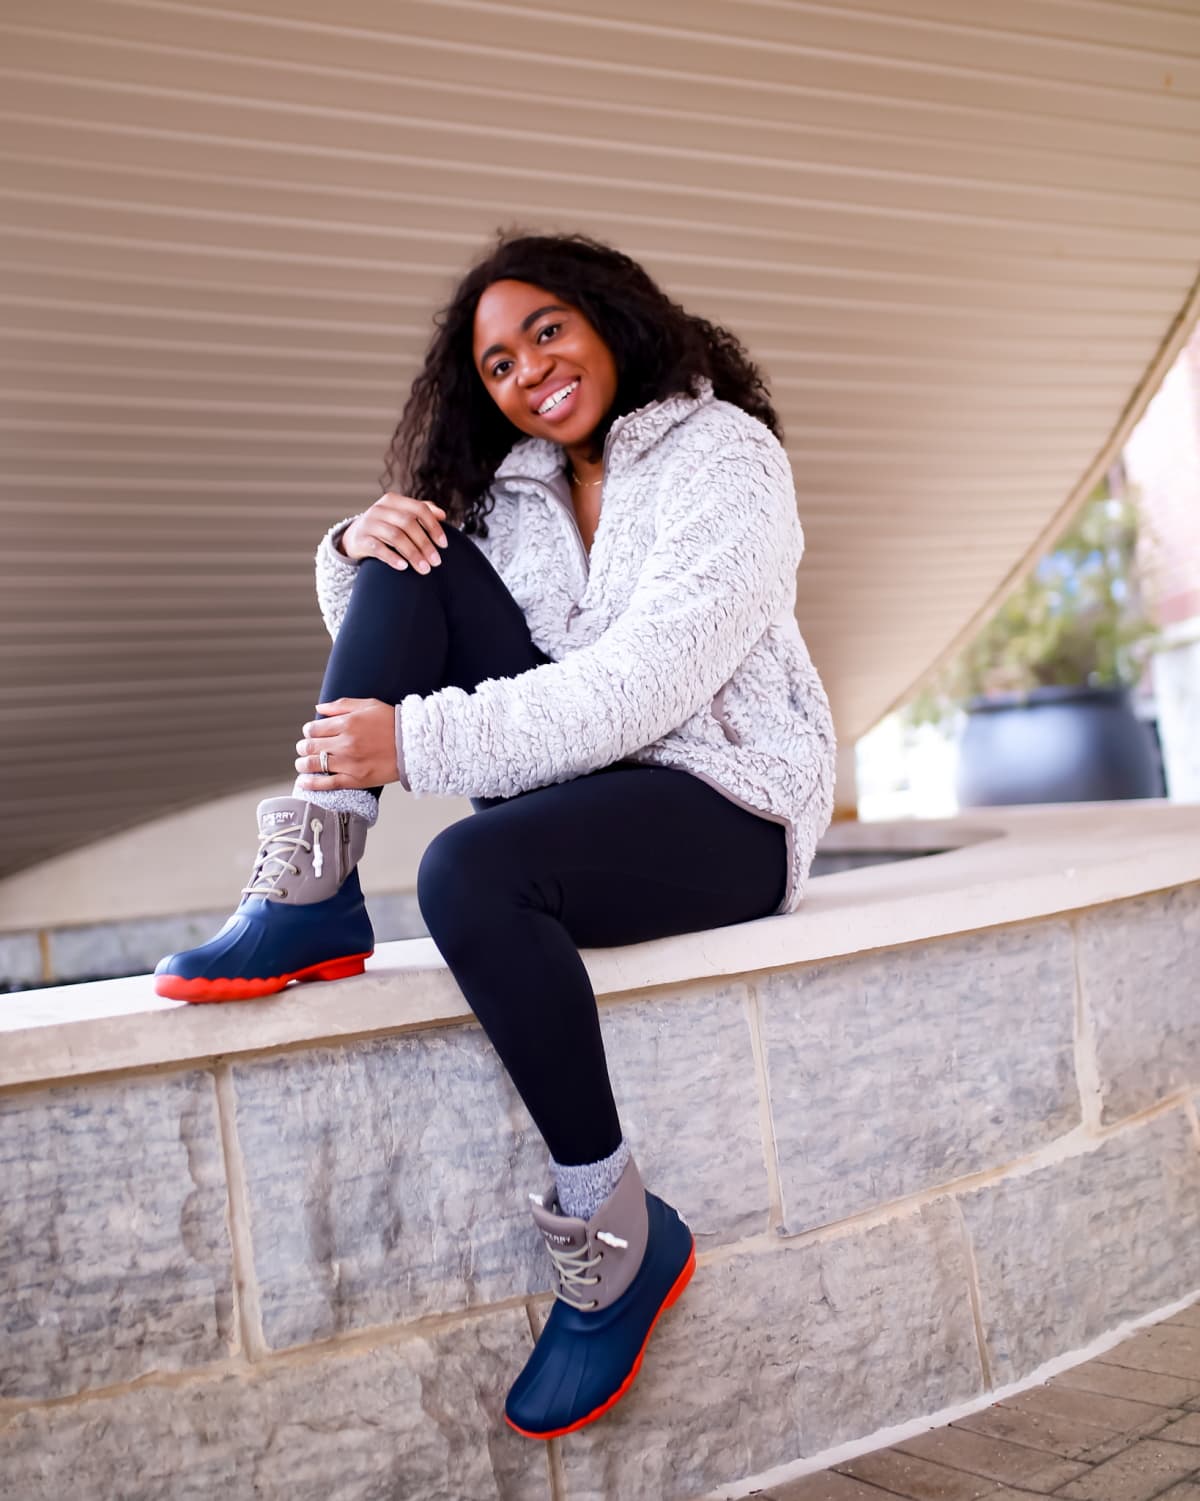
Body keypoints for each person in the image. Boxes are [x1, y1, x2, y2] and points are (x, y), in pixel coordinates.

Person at [154, 229, 837, 1439]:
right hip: (580, 785)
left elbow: (643, 684)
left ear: (609, 318)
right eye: (499, 364)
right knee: (406, 544)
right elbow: (414, 635)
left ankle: (620, 1235)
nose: (528, 373)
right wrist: (354, 555)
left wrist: (413, 749)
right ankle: (316, 870)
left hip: (724, 799)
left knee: (468, 870)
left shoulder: (725, 458)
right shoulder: (517, 487)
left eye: (546, 333)